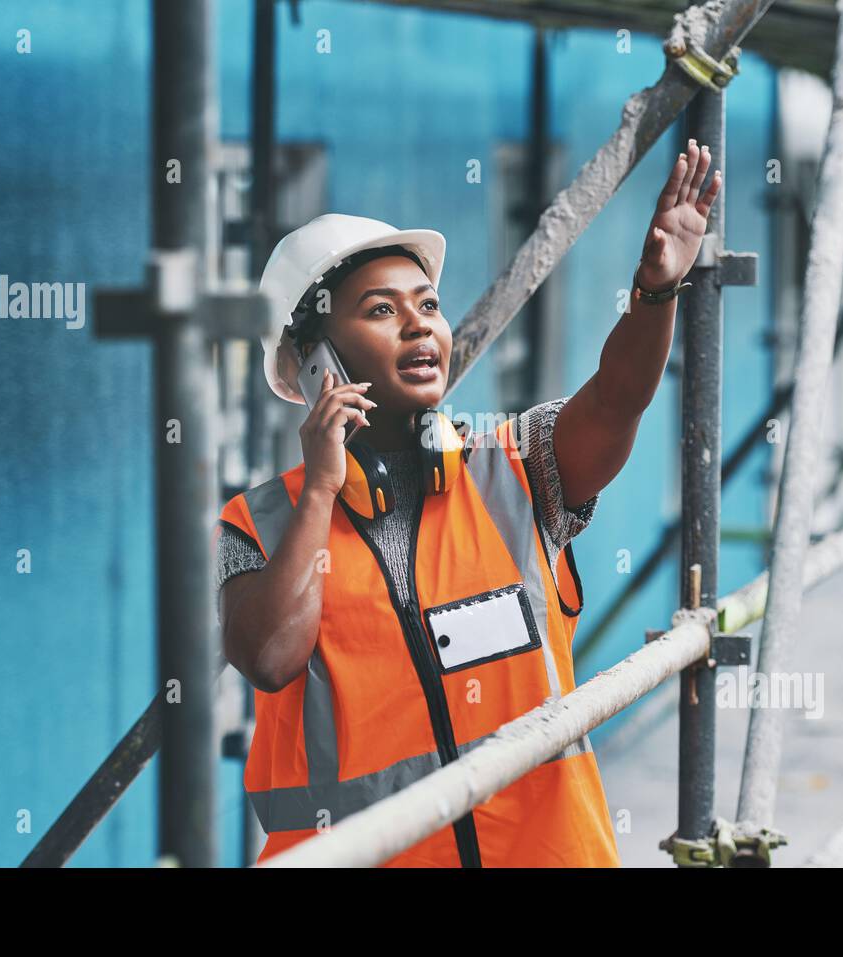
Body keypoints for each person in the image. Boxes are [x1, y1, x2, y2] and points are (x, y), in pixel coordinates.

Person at [216, 139, 722, 866]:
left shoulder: (516, 466)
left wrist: (655, 290)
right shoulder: (255, 525)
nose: (420, 324)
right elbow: (269, 655)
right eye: (382, 310)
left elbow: (616, 401)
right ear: (313, 364)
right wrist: (322, 487)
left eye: (428, 305)